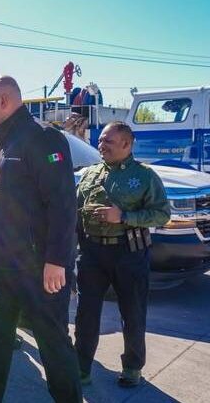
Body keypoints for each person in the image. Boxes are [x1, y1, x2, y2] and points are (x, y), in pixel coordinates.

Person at [0, 76, 81, 403]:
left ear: (4, 101)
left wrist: (56, 260)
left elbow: (63, 203)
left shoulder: (42, 138)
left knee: (53, 346)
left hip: (37, 270)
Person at [75, 121, 169, 388]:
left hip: (128, 252)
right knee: (86, 314)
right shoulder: (89, 173)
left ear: (127, 144)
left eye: (108, 141)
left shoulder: (145, 176)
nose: (101, 145)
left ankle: (132, 368)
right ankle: (81, 368)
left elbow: (162, 214)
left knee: (133, 313)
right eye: (101, 140)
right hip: (92, 253)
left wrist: (124, 216)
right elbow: (75, 210)